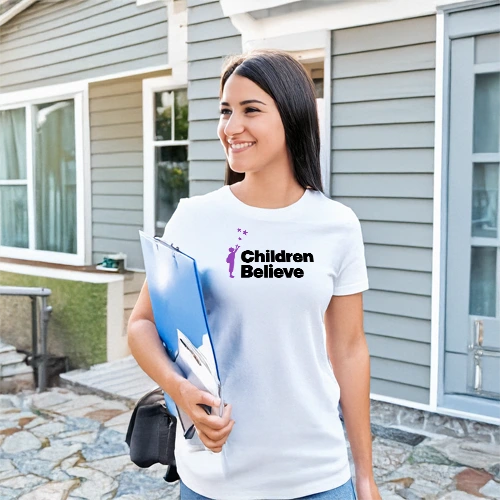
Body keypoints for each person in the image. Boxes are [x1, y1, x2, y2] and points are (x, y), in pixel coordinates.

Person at [128, 48, 382, 500]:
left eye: (251, 110)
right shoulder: (194, 218)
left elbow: (349, 350)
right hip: (215, 479)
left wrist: (364, 475)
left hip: (316, 475)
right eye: (226, 111)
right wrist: (179, 390)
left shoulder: (338, 225)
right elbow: (141, 325)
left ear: (292, 118)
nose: (231, 127)